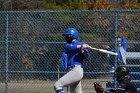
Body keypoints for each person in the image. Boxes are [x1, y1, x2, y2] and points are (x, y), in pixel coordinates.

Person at [54, 28, 92, 93]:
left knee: (57, 85)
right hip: (70, 70)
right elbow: (71, 47)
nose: (66, 37)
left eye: (67, 36)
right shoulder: (68, 45)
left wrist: (83, 50)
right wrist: (81, 46)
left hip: (76, 70)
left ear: (73, 35)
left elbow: (87, 58)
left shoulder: (82, 44)